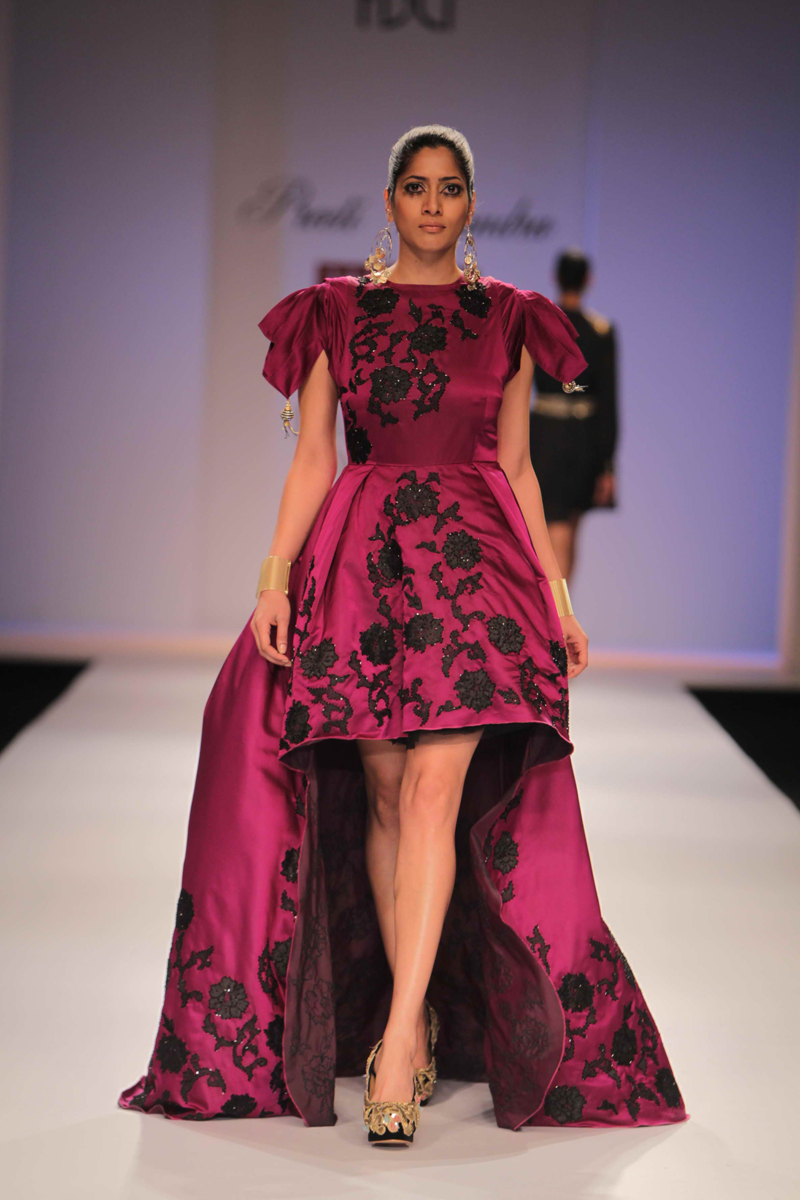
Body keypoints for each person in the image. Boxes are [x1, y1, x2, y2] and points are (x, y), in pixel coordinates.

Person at [118, 125, 686, 1147]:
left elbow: (518, 468)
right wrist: (274, 578)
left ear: (470, 204)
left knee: (431, 795)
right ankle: (413, 1017)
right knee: (384, 798)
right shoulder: (333, 313)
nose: (432, 204)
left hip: (474, 574)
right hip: (364, 570)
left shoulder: (509, 318)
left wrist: (555, 598)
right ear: (388, 202)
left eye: (450, 188)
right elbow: (313, 460)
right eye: (415, 187)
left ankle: (392, 1043)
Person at [530, 249, 618, 582]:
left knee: (558, 528)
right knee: (567, 528)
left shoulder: (539, 325)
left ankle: (557, 609)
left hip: (544, 435)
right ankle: (559, 610)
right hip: (583, 438)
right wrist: (607, 465)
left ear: (556, 277)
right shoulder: (600, 332)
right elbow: (608, 402)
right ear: (588, 280)